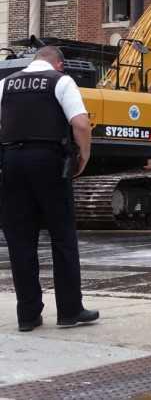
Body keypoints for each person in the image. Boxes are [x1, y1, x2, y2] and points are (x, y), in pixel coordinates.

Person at [0, 45, 98, 332]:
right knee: (62, 237)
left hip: (12, 162)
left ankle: (28, 316)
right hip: (49, 162)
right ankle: (69, 311)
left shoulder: (6, 84)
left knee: (20, 241)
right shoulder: (61, 81)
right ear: (59, 64)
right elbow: (80, 124)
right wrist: (84, 156)